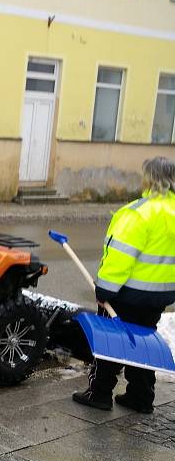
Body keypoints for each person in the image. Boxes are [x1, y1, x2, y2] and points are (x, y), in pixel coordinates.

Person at [73, 156, 175, 414]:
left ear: (149, 179)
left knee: (110, 343)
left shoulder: (138, 213)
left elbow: (119, 256)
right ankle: (141, 397)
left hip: (126, 295)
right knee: (142, 342)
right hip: (159, 296)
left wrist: (104, 290)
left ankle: (99, 393)